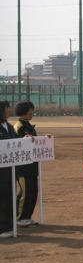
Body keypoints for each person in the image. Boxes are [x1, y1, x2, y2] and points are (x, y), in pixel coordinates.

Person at [13, 100, 42, 227]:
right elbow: (15, 145)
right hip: (23, 166)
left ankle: (27, 216)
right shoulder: (18, 127)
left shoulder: (29, 125)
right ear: (24, 111)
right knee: (25, 191)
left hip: (32, 163)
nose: (32, 113)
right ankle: (19, 217)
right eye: (30, 110)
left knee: (33, 190)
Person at [0, 99, 15, 238]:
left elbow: (16, 142)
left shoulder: (9, 127)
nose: (10, 110)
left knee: (9, 197)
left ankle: (9, 225)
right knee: (2, 198)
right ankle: (2, 227)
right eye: (7, 107)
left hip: (10, 169)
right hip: (1, 171)